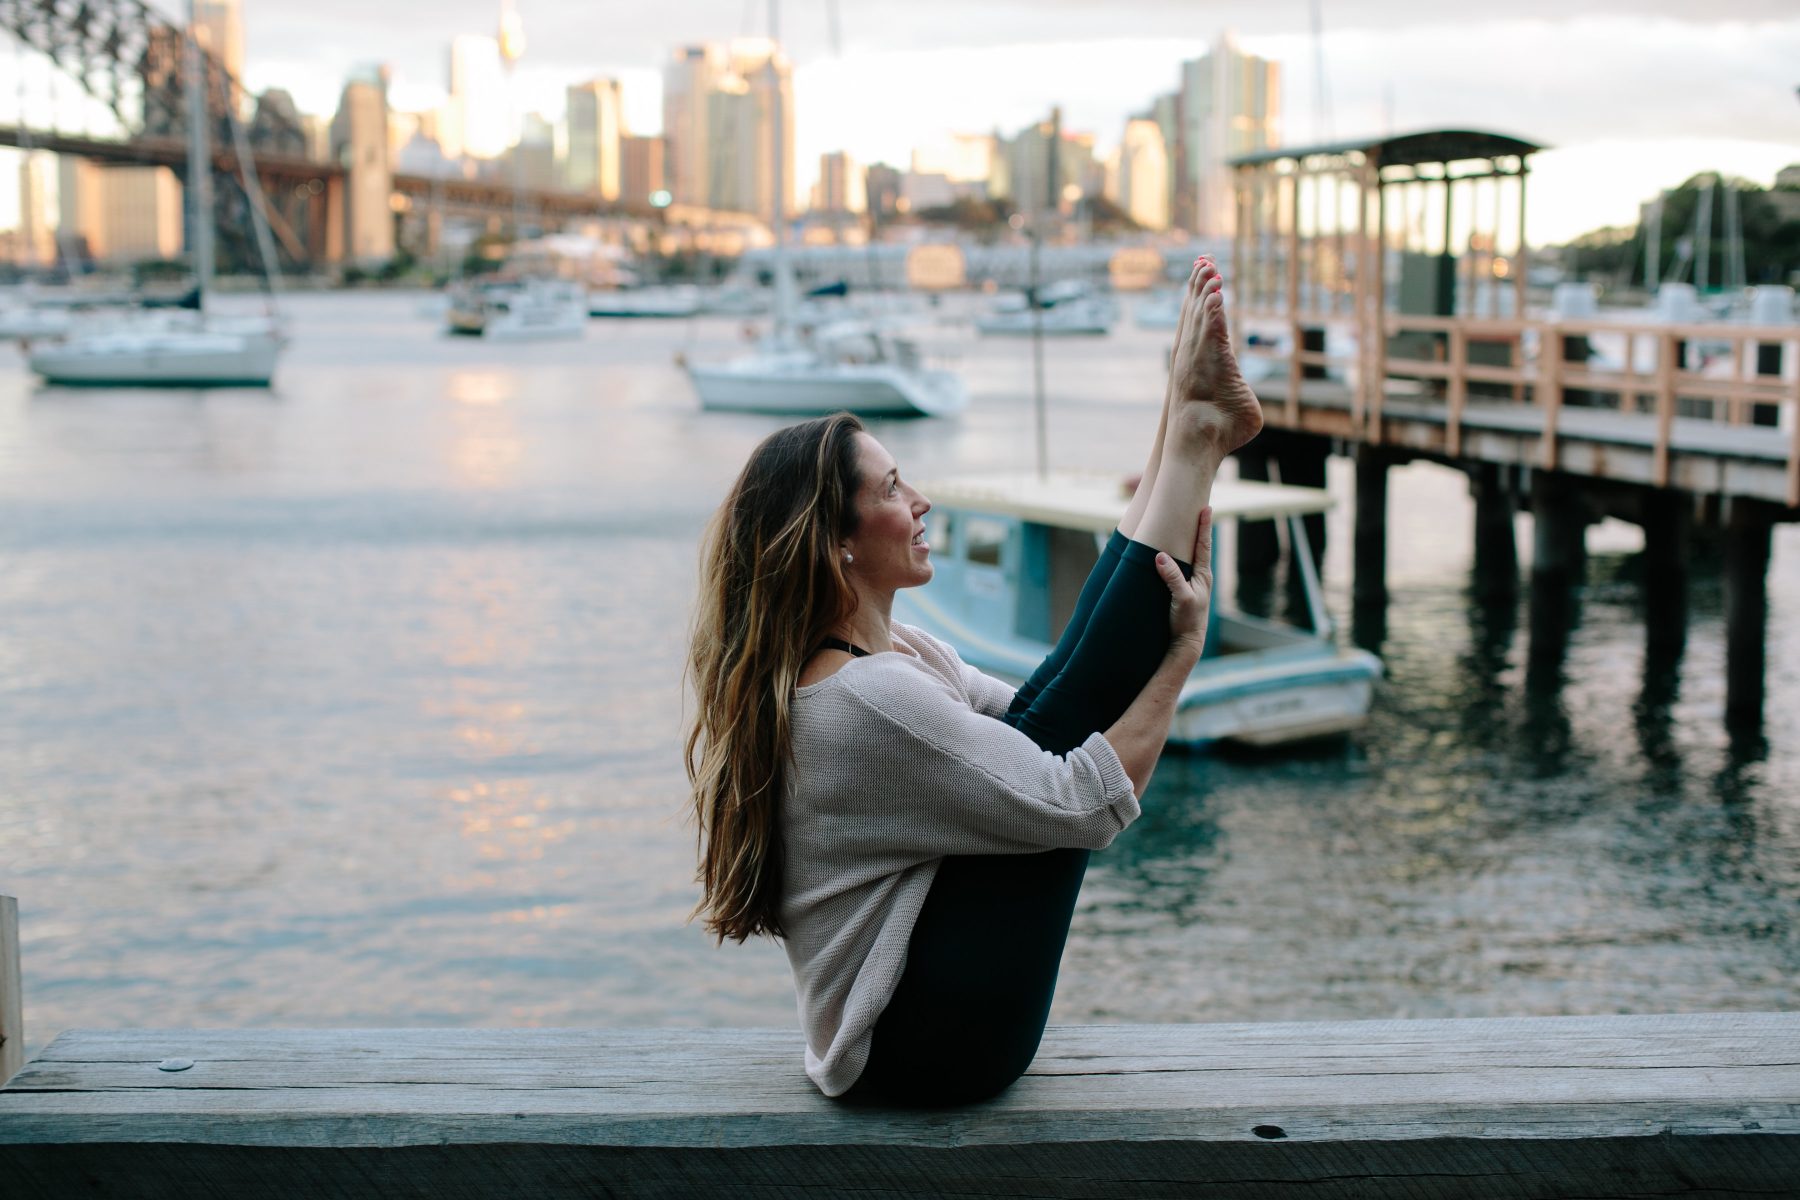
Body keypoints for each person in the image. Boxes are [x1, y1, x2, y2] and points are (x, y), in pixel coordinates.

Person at [686, 257, 1262, 1105]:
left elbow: (1055, 702)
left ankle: (1189, 425)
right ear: (835, 542)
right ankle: (1194, 436)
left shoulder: (899, 659)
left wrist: (1170, 419)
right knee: (1043, 784)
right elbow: (1079, 801)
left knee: (1040, 718)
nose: (920, 502)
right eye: (891, 489)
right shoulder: (870, 701)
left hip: (931, 1028)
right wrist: (1178, 662)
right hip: (921, 1049)